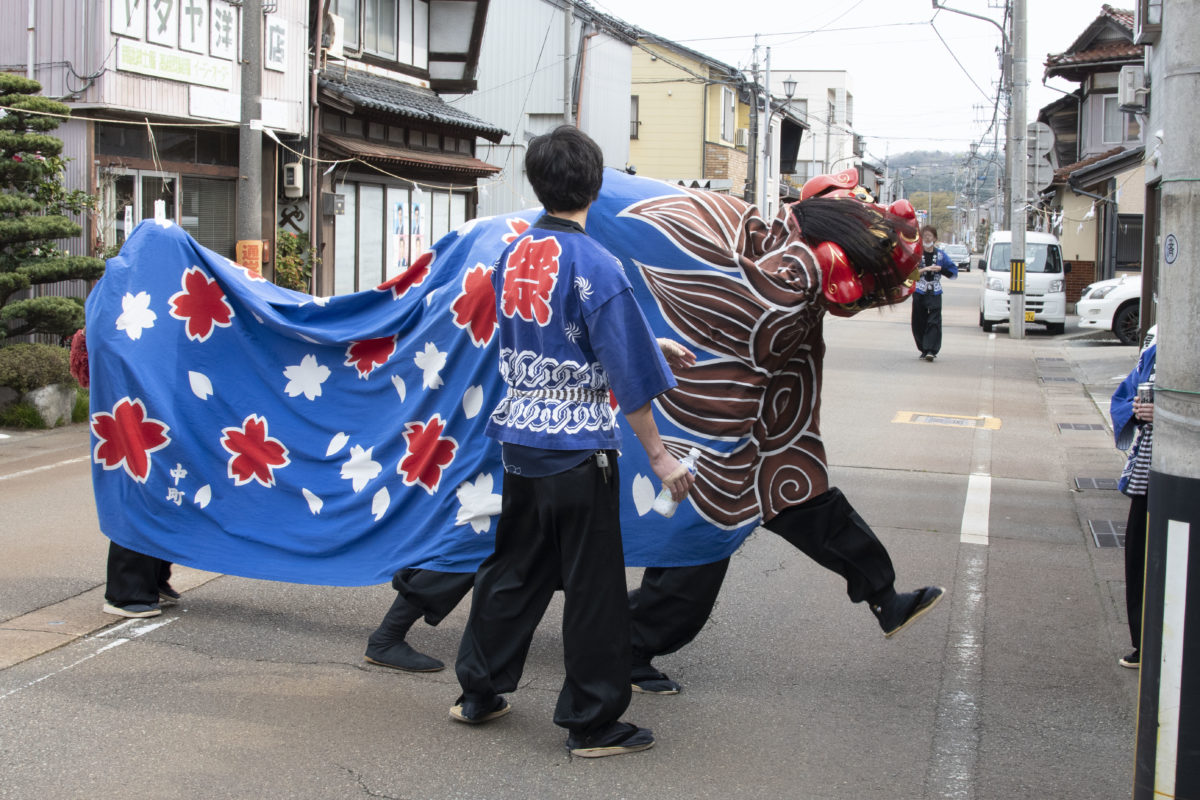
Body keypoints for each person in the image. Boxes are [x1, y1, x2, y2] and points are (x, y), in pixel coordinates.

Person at [449, 125, 695, 758]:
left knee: (515, 569)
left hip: (522, 445)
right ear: (596, 183)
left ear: (536, 183)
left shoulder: (513, 254)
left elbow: (557, 335)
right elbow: (627, 376)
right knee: (593, 587)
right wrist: (661, 455)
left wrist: (648, 343)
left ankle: (478, 690)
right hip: (580, 450)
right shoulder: (597, 262)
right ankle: (591, 721)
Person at [69, 328, 181, 619]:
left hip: (158, 389)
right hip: (131, 396)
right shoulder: (123, 297)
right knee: (139, 486)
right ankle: (127, 589)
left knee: (166, 491)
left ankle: (152, 578)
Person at [1110, 325, 1157, 669]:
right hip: (1148, 469)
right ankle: (1144, 641)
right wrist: (1137, 409)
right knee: (1139, 555)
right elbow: (1124, 394)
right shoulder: (1158, 339)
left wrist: (1170, 412)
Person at [910, 225, 958, 361]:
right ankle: (923, 348)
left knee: (934, 321)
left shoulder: (941, 255)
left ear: (935, 238)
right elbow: (909, 275)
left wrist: (941, 269)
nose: (927, 238)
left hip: (935, 292)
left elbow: (953, 272)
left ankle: (931, 349)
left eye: (929, 235)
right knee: (919, 321)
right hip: (919, 291)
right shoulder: (916, 255)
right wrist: (925, 269)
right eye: (924, 235)